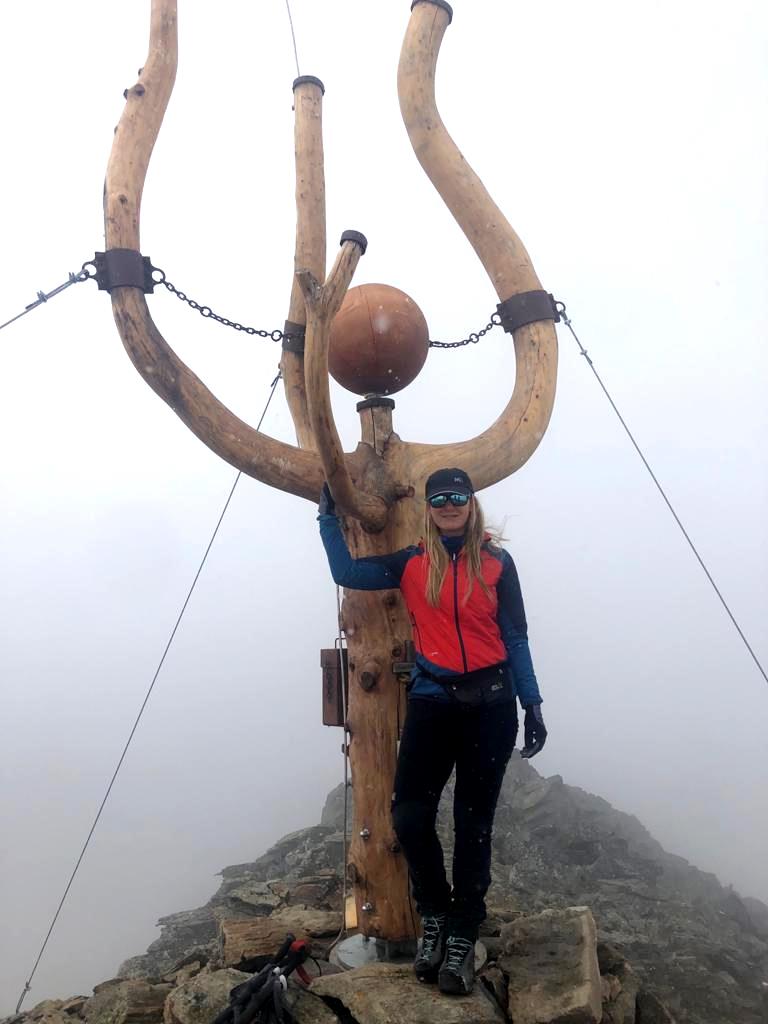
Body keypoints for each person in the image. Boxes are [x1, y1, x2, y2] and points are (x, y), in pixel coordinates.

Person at [317, 467, 547, 996]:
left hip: (491, 705)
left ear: (471, 502)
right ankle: (436, 915)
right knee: (409, 816)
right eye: (439, 498)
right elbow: (347, 571)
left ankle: (463, 932)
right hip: (433, 702)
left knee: (473, 825)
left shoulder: (497, 562)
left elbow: (516, 635)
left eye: (456, 496)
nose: (448, 504)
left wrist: (531, 702)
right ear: (428, 507)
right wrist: (327, 518)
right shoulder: (412, 563)